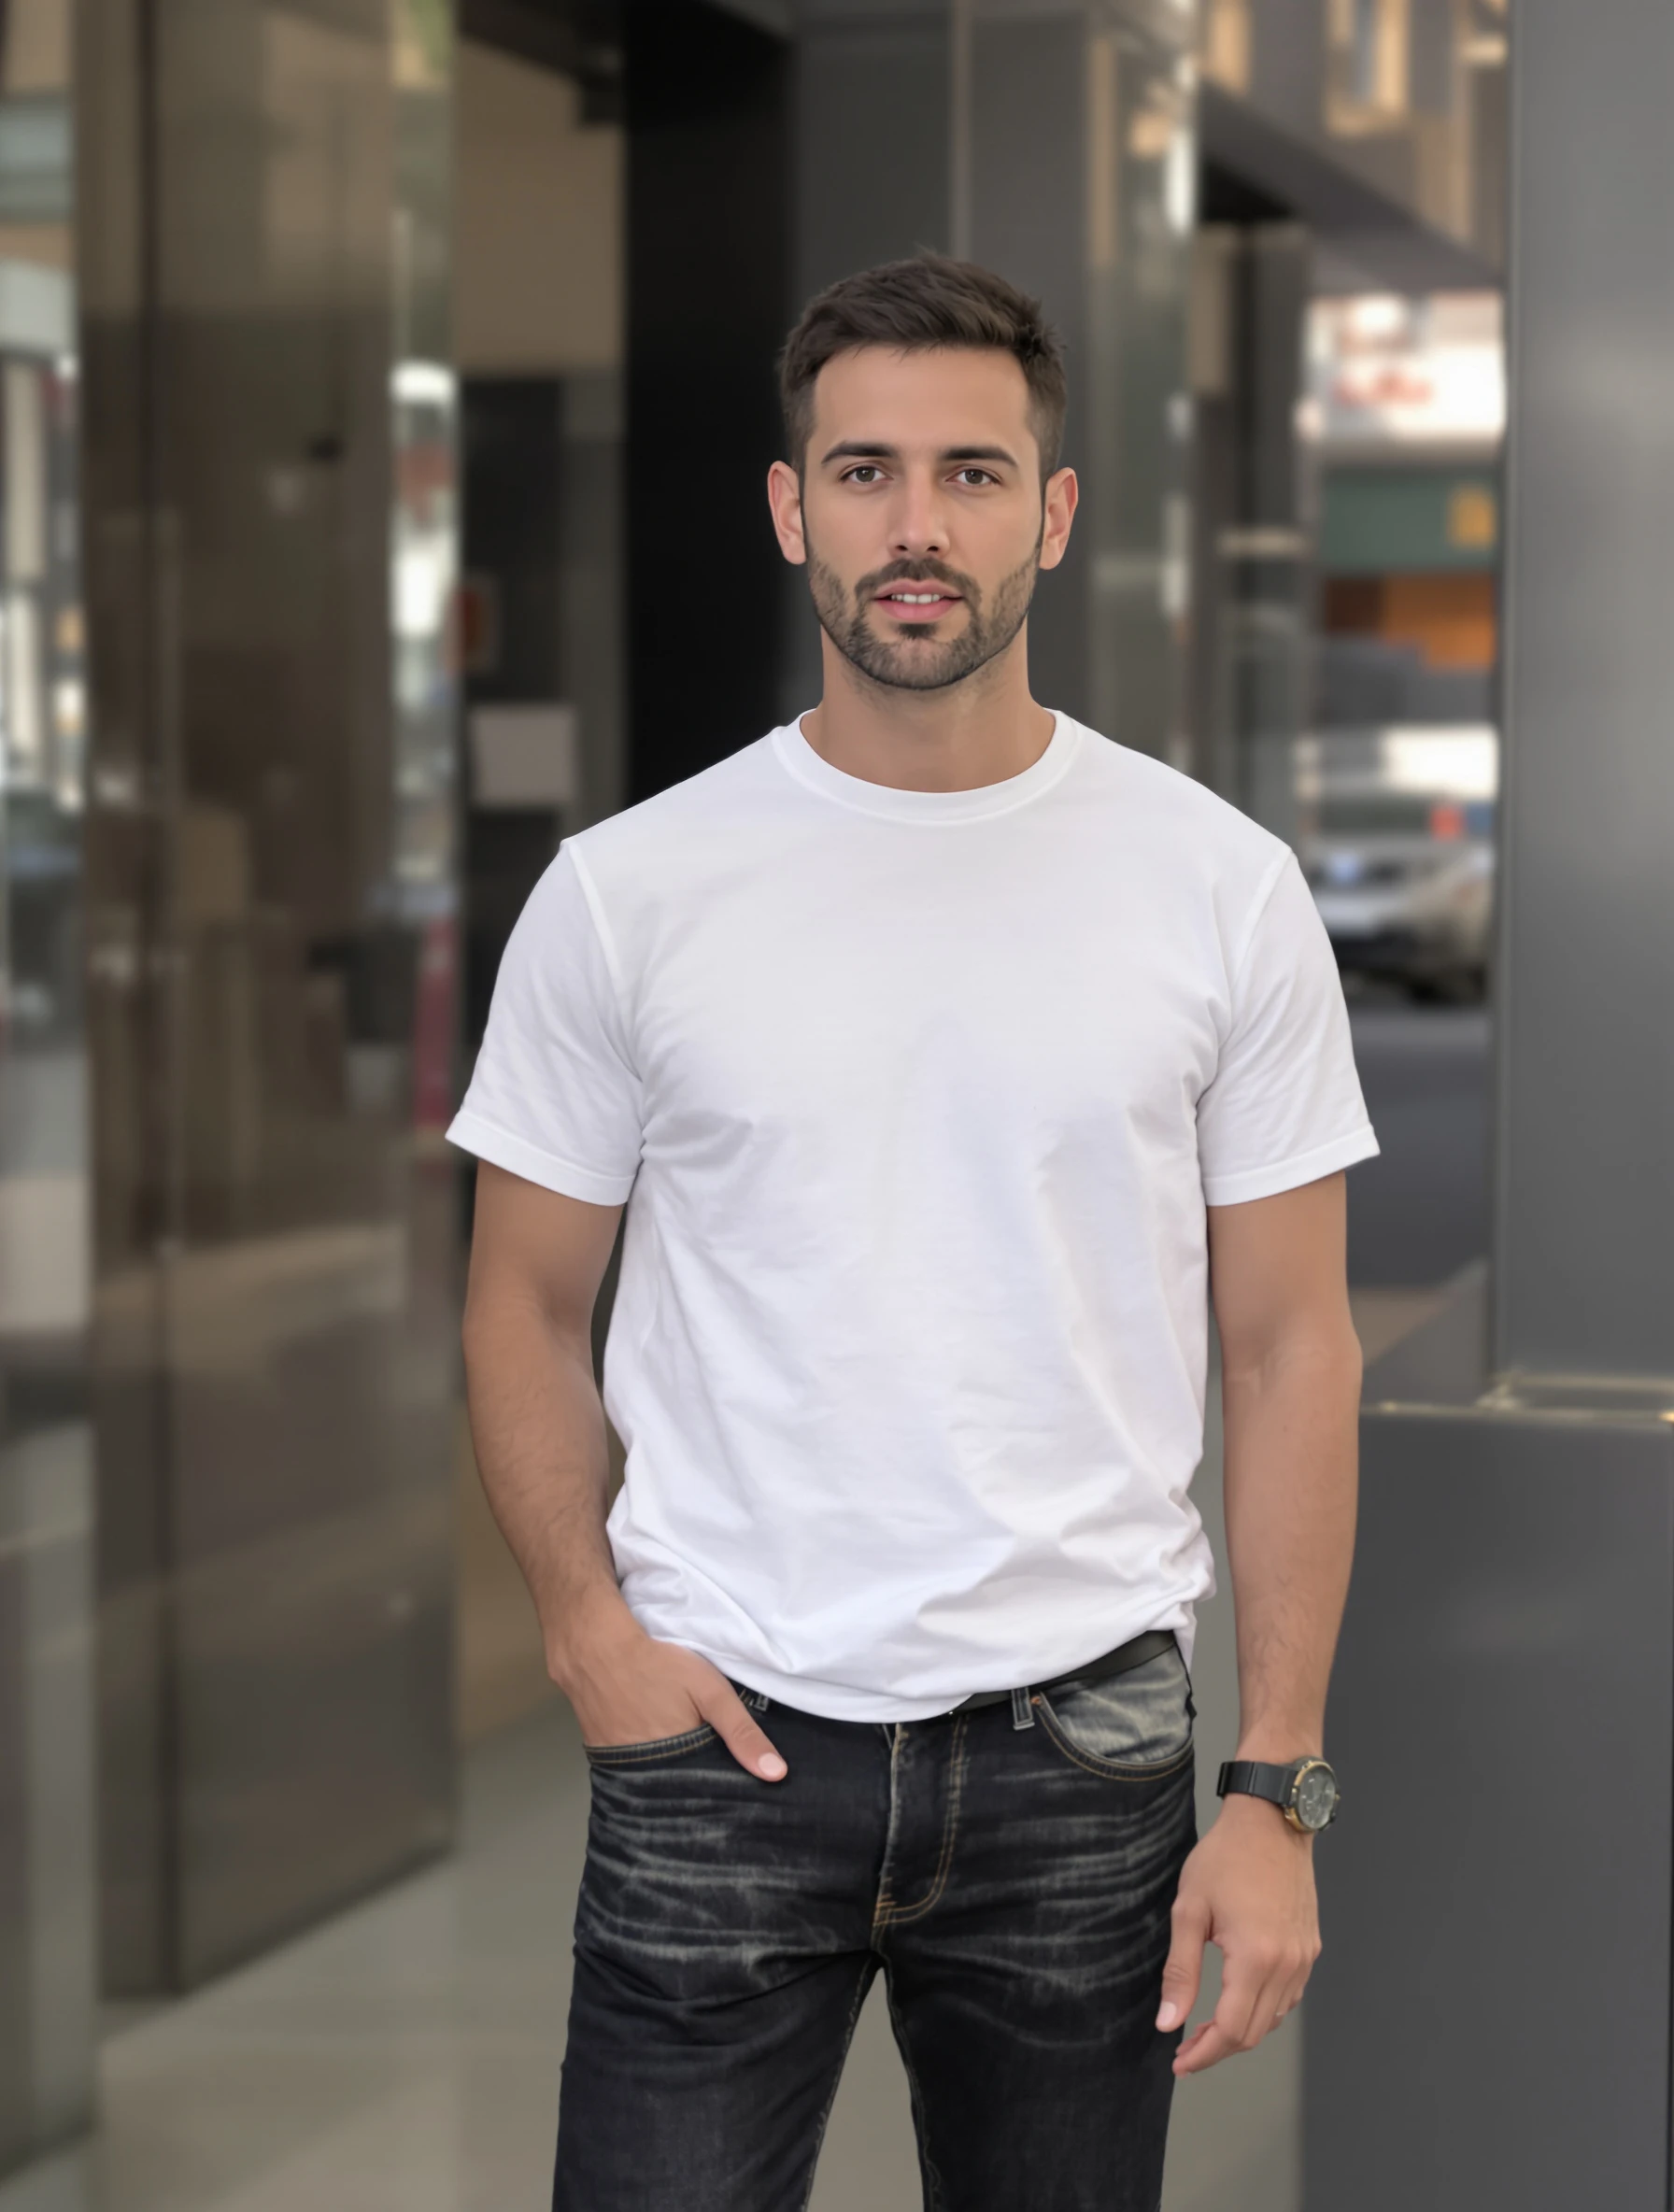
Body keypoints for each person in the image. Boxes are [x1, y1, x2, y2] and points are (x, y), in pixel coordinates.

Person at [451, 254, 1376, 2212]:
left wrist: (1272, 1782)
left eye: (970, 474)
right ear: (792, 511)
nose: (913, 526)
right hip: (716, 1733)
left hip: (1085, 1757)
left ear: (1047, 514)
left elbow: (1291, 1344)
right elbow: (521, 1303)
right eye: (861, 471)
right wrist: (580, 1629)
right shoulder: (629, 894)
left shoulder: (1215, 888)